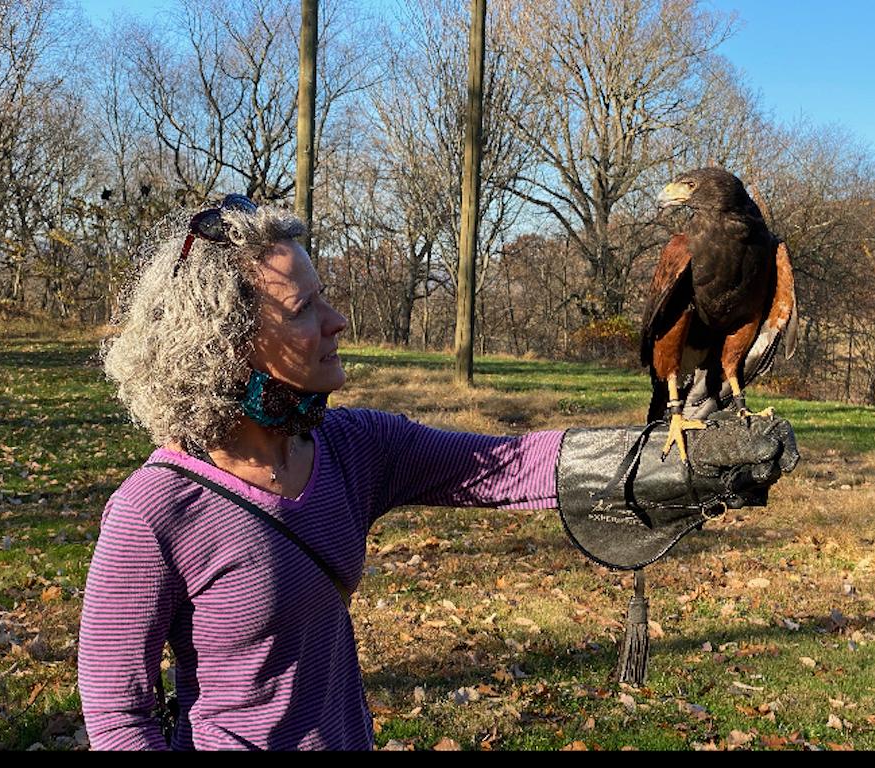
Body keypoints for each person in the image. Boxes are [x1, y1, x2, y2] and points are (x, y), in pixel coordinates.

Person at [78, 196, 797, 751]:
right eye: (305, 309)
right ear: (228, 344)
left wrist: (666, 459)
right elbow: (117, 713)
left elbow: (504, 465)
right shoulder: (155, 511)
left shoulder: (349, 447)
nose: (338, 321)